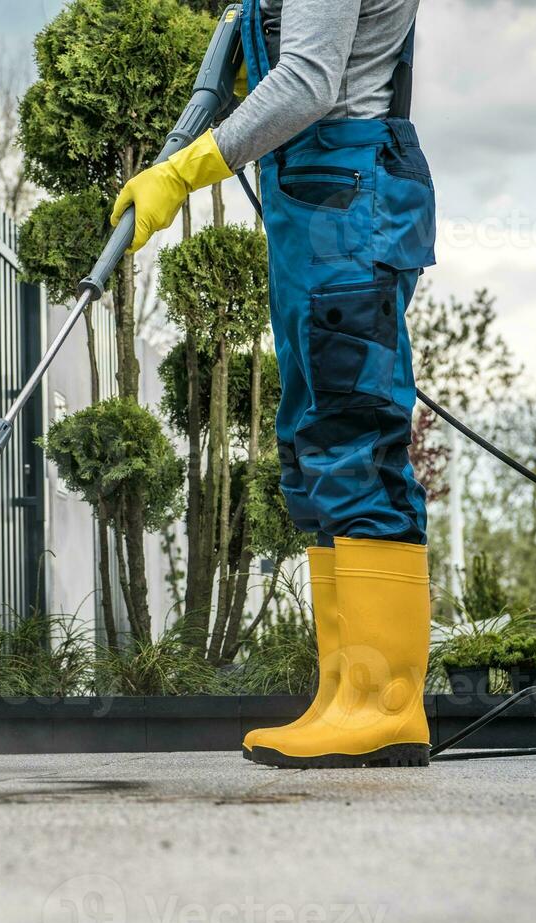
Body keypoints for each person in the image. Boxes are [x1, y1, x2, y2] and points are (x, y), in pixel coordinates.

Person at [110, 0, 435, 769]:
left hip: (346, 202)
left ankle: (384, 705)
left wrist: (185, 171)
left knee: (354, 439)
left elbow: (309, 82)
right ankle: (344, 696)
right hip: (324, 201)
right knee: (320, 443)